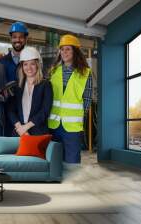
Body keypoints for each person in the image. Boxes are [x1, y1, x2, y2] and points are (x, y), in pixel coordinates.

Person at [48, 34, 92, 164]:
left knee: (72, 163)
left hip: (72, 127)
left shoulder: (85, 72)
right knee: (55, 162)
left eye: (68, 49)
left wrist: (77, 116)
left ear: (75, 51)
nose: (64, 52)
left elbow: (87, 99)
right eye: (62, 49)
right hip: (54, 124)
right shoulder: (54, 70)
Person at [7, 46, 52, 136]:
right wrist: (20, 127)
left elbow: (45, 111)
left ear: (38, 65)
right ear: (22, 66)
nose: (29, 68)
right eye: (25, 64)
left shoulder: (45, 84)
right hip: (19, 132)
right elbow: (10, 110)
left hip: (38, 132)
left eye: (32, 64)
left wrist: (26, 127)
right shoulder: (17, 86)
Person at [0, 22, 29, 136]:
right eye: (15, 37)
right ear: (11, 39)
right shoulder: (1, 62)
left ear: (26, 39)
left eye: (21, 37)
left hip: (26, 112)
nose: (18, 40)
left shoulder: (31, 62)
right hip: (7, 113)